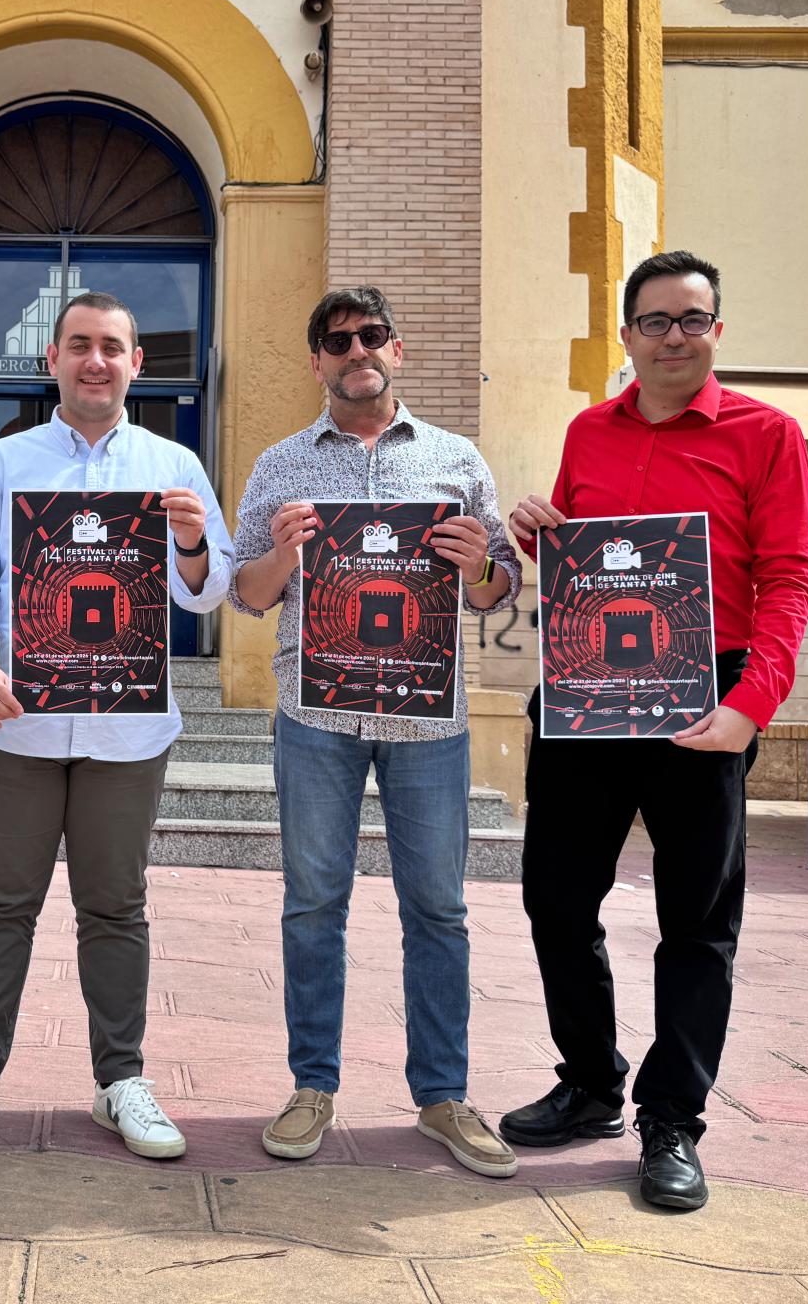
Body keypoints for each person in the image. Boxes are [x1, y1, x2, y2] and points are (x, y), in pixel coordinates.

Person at [501, 250, 808, 1211]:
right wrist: (541, 533)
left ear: (716, 332)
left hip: (704, 696)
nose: (673, 336)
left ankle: (671, 1118)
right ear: (628, 333)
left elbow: (791, 579)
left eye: (692, 320)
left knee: (697, 921)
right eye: (655, 320)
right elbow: (589, 560)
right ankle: (591, 1080)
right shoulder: (587, 431)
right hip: (587, 688)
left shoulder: (770, 434)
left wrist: (748, 708)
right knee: (554, 898)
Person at [0, 291, 233, 1161]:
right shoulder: (4, 463)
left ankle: (120, 1079)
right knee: (1, 901)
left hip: (128, 731)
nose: (97, 361)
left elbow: (206, 592)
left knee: (116, 906)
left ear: (137, 364)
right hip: (21, 722)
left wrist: (196, 542)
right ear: (52, 358)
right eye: (80, 346)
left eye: (113, 348)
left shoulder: (174, 465)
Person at [229, 286, 522, 1174]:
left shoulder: (457, 458)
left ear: (398, 350)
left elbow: (500, 584)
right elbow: (246, 593)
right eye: (338, 340)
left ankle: (443, 1097)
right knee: (314, 905)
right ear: (316, 360)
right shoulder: (280, 464)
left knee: (439, 908)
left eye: (372, 336)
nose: (357, 351)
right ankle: (312, 1086)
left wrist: (482, 570)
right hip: (314, 714)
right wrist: (282, 552)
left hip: (429, 719)